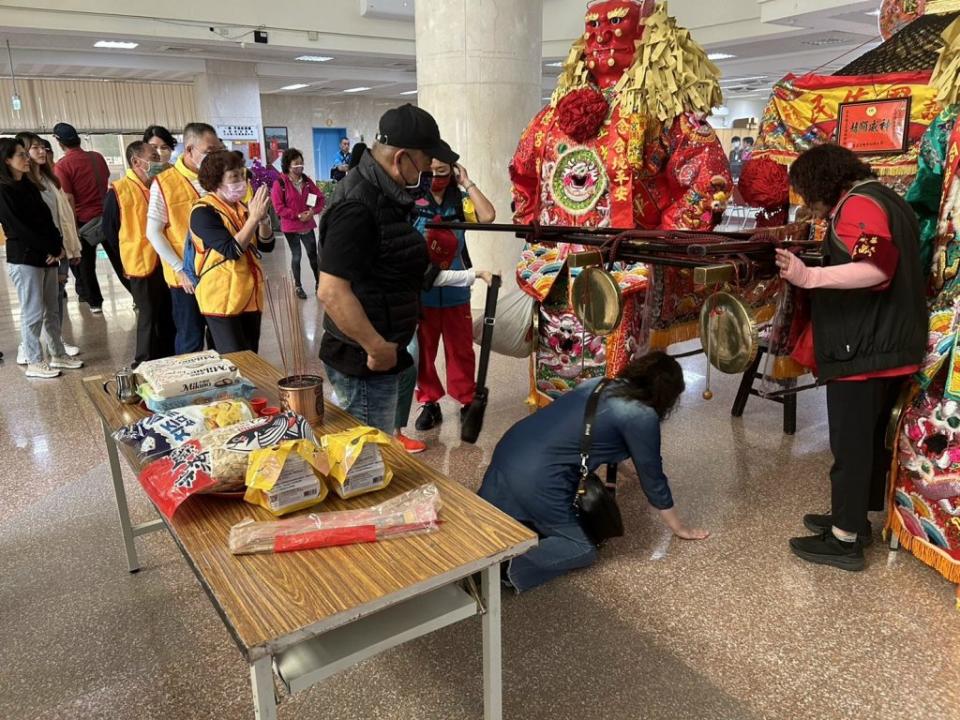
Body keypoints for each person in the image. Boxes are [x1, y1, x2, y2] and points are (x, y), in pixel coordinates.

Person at [775, 143, 926, 571]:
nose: (808, 204)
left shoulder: (860, 204)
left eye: (806, 192)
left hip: (866, 349)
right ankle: (852, 519)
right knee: (866, 444)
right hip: (886, 342)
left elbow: (875, 268)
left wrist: (810, 275)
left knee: (851, 446)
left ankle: (845, 541)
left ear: (823, 182)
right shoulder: (886, 197)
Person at [478, 352, 708, 592]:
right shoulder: (641, 415)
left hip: (509, 450)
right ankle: (506, 568)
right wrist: (679, 528)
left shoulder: (599, 383)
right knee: (582, 548)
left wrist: (632, 474)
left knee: (497, 517)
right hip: (538, 477)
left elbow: (583, 435)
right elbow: (654, 476)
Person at [316, 104, 457, 432]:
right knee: (366, 458)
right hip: (362, 359)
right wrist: (375, 346)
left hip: (380, 349)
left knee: (377, 449)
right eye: (424, 163)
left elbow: (388, 257)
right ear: (401, 158)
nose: (427, 172)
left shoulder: (383, 194)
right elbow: (331, 291)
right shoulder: (358, 206)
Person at [412, 160, 496, 433]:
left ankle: (466, 400)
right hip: (422, 293)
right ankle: (429, 402)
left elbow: (487, 217)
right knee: (424, 351)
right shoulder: (412, 199)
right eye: (432, 171)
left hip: (456, 289)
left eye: (443, 172)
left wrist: (467, 183)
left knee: (460, 349)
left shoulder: (459, 201)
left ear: (452, 172)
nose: (436, 176)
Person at [0, 138, 84, 378]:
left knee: (52, 310)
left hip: (47, 256)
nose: (27, 159)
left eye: (26, 154)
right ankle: (35, 361)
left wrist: (57, 246)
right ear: (6, 160)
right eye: (21, 155)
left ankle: (57, 354)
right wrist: (46, 249)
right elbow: (19, 229)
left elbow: (46, 218)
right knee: (32, 312)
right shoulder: (3, 191)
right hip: (26, 259)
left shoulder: (27, 184)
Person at [146, 122, 224, 354]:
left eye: (218, 151)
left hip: (218, 272)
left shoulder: (219, 179)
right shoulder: (165, 183)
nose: (215, 157)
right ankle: (189, 389)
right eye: (209, 152)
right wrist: (180, 270)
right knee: (190, 338)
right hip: (185, 280)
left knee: (221, 339)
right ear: (189, 150)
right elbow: (153, 232)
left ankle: (224, 388)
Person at [188, 150, 274, 353]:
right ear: (216, 180)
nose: (241, 181)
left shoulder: (242, 208)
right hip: (222, 299)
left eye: (241, 175)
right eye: (233, 176)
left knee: (250, 356)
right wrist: (253, 218)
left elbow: (266, 246)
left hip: (249, 296)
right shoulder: (203, 212)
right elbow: (232, 250)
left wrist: (263, 221)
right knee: (236, 361)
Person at [103, 140, 175, 366]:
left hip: (166, 260)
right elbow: (110, 231)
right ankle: (143, 363)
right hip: (140, 264)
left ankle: (169, 359)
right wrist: (125, 259)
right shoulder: (119, 190)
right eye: (153, 158)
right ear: (136, 161)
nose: (158, 161)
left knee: (168, 315)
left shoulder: (160, 185)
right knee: (148, 317)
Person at [52, 121, 120, 313]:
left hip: (84, 222)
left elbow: (69, 198)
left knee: (86, 266)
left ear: (59, 142)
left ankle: (95, 303)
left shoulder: (62, 166)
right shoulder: (96, 157)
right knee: (119, 260)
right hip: (107, 218)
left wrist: (72, 229)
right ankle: (137, 297)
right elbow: (106, 180)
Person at [271, 148, 324, 299]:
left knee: (313, 255)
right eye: (296, 163)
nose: (300, 166)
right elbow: (278, 207)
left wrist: (312, 212)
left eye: (301, 163)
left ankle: (319, 283)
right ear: (288, 165)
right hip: (291, 227)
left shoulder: (306, 181)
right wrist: (297, 215)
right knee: (296, 256)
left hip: (307, 225)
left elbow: (319, 198)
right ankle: (298, 286)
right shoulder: (280, 183)